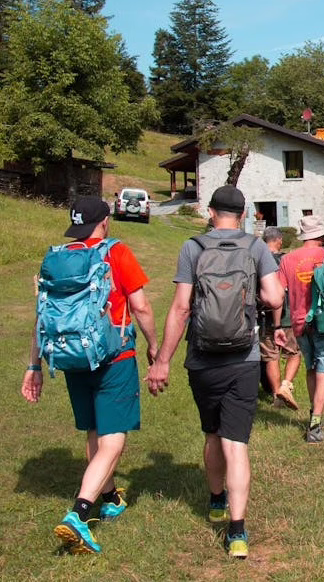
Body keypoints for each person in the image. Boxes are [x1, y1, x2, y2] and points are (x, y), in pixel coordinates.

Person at [146, 185, 283, 560]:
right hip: (244, 358)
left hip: (202, 360)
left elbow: (180, 309)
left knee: (212, 433)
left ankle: (216, 499)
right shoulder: (256, 248)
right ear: (244, 214)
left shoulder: (193, 247)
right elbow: (274, 297)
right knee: (235, 443)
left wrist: (162, 361)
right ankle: (237, 533)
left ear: (211, 212)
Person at [22, 195, 157, 555]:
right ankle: (80, 514)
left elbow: (43, 315)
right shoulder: (116, 252)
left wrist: (34, 365)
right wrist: (154, 346)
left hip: (72, 358)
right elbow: (141, 305)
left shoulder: (59, 257)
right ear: (105, 220)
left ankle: (111, 497)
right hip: (114, 357)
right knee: (113, 440)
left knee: (95, 430)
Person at [274, 216, 324, 443]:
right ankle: (315, 425)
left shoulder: (288, 259)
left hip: (299, 323)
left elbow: (278, 296)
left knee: (310, 367)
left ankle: (312, 415)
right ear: (320, 234)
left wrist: (278, 325)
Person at [258, 227, 300, 410]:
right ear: (279, 241)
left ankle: (276, 396)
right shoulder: (287, 260)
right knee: (293, 353)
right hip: (288, 315)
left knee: (271, 357)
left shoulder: (258, 260)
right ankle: (285, 385)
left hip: (265, 316)